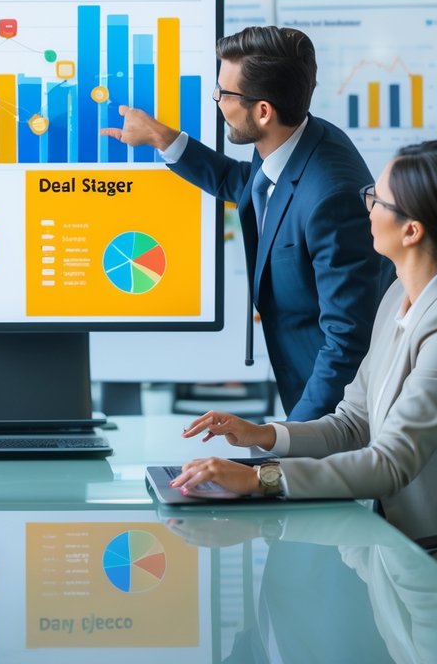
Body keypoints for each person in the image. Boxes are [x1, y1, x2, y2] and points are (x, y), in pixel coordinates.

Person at [172, 140, 437, 612]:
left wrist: (261, 480)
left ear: (411, 230)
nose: (367, 208)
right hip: (418, 552)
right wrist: (263, 435)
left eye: (376, 198)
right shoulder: (398, 295)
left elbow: (390, 464)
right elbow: (352, 423)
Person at [102, 26, 390, 421]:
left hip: (333, 411)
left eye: (224, 93)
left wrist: (290, 437)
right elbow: (247, 184)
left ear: (263, 111)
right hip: (306, 388)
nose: (217, 101)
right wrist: (160, 137)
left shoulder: (331, 198)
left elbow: (346, 344)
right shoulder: (295, 139)